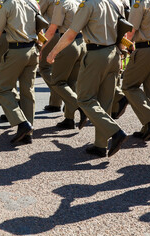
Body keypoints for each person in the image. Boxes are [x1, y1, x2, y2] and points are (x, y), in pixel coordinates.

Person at [48, 0, 128, 157]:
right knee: (105, 101)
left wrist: (53, 52)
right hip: (114, 52)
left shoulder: (88, 4)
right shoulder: (116, 3)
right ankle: (100, 145)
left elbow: (71, 33)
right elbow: (122, 31)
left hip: (96, 54)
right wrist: (122, 53)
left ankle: (115, 132)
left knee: (85, 99)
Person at [0, 0, 39, 144]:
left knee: (2, 89)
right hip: (32, 50)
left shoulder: (7, 5)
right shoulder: (33, 3)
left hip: (16, 51)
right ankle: (28, 132)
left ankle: (22, 123)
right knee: (27, 91)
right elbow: (40, 28)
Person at [121, 0, 150, 141]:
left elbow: (131, 30)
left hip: (145, 48)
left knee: (128, 86)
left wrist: (122, 48)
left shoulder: (139, 3)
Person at [42, 0, 87, 129]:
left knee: (57, 81)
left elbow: (51, 30)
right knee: (72, 82)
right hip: (81, 42)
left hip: (68, 43)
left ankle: (80, 107)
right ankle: (69, 119)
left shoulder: (62, 3)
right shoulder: (79, 2)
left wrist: (43, 48)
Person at [39, 0, 63, 112]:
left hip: (52, 34)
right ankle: (55, 103)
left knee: (44, 67)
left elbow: (37, 13)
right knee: (55, 68)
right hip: (66, 35)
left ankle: (60, 92)